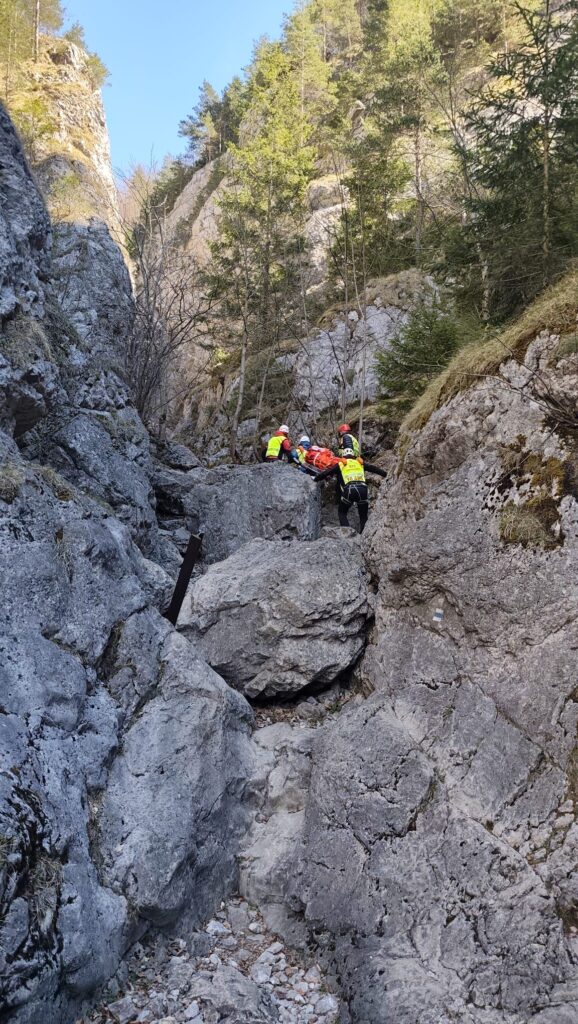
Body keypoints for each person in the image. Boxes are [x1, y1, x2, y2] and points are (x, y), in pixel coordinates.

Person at [314, 448, 386, 532]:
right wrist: (386, 474)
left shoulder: (341, 464)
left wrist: (316, 479)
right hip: (363, 489)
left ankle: (347, 534)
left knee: (342, 513)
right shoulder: (359, 463)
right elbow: (374, 468)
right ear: (353, 455)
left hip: (350, 489)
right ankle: (363, 536)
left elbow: (327, 473)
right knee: (363, 516)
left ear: (343, 456)